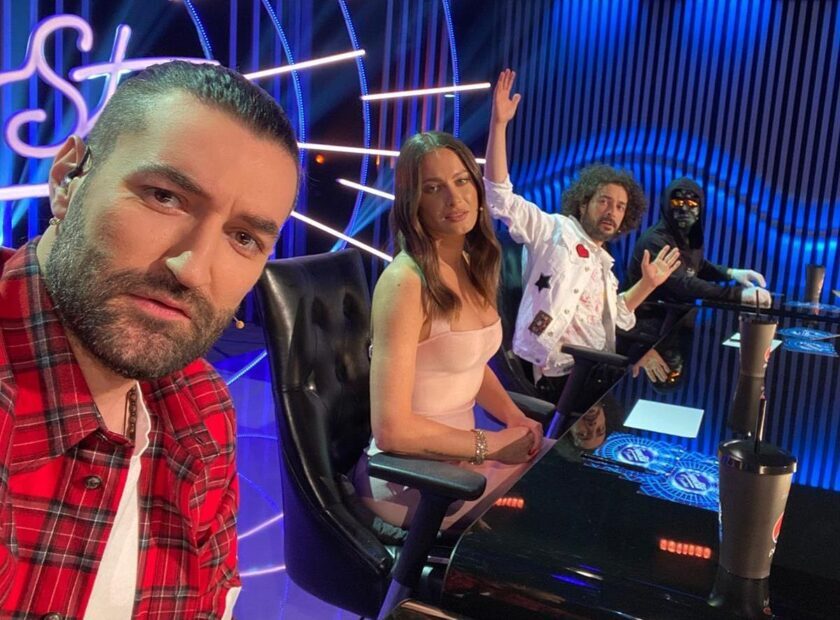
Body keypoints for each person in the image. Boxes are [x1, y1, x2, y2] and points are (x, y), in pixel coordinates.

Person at [0, 61, 300, 618]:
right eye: (164, 196)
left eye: (243, 238)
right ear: (68, 180)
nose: (193, 269)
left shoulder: (203, 409)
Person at [353, 131, 547, 533]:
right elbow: (391, 431)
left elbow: (470, 363)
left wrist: (515, 418)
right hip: (413, 480)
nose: (454, 198)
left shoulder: (472, 264)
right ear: (413, 203)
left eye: (461, 181)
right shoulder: (405, 282)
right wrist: (492, 445)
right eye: (433, 188)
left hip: (463, 461)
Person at [485, 69, 681, 402]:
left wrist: (648, 284)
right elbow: (500, 197)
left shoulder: (604, 262)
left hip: (600, 371)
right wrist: (499, 124)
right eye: (604, 201)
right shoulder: (553, 230)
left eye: (620, 207)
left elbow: (617, 315)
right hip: (562, 376)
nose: (612, 211)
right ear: (583, 202)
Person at [626, 177, 771, 307]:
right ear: (666, 205)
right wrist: (737, 294)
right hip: (645, 322)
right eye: (677, 202)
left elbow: (697, 266)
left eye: (691, 203)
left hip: (676, 318)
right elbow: (682, 283)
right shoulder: (655, 240)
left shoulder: (690, 236)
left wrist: (731, 273)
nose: (684, 208)